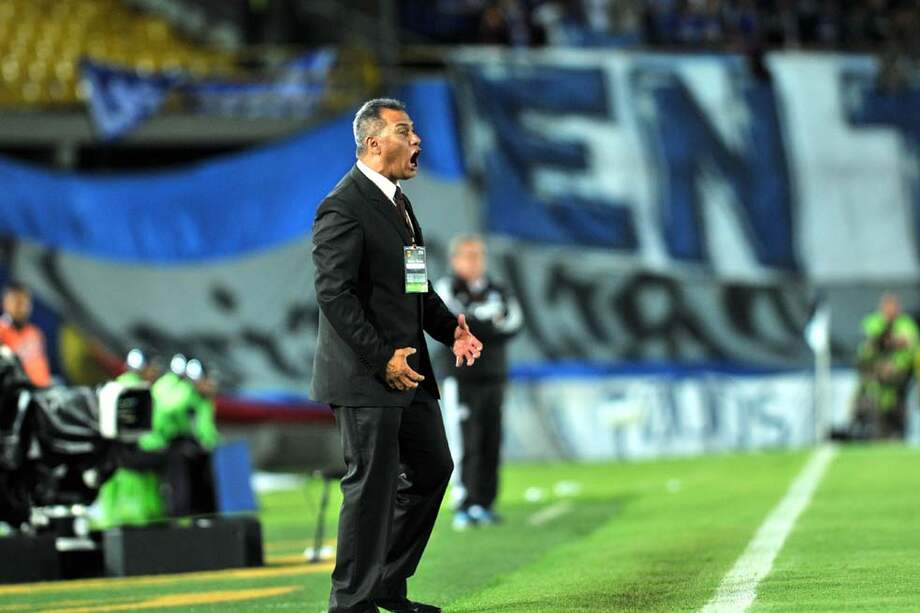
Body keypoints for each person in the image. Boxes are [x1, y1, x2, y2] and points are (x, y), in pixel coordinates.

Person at [311, 98, 483, 613]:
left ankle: (385, 583)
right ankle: (350, 605)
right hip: (367, 377)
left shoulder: (399, 205)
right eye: (405, 131)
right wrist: (381, 357)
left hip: (407, 375)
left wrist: (451, 328)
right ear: (373, 142)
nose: (417, 140)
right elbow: (334, 295)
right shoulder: (342, 206)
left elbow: (416, 286)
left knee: (432, 468)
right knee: (370, 487)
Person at [435, 235, 522, 530]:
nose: (474, 262)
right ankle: (464, 502)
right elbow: (451, 323)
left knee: (491, 439)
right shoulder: (447, 288)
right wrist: (488, 322)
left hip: (494, 375)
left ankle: (485, 501)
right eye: (467, 255)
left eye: (478, 255)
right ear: (454, 259)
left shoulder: (499, 289)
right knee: (464, 441)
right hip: (461, 377)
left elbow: (513, 324)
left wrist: (477, 322)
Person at [853, 293, 918, 439]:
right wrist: (880, 363)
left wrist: (894, 363)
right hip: (874, 375)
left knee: (897, 407)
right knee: (870, 403)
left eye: (894, 306)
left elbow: (909, 346)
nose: (891, 310)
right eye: (888, 306)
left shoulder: (906, 323)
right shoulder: (873, 321)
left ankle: (898, 432)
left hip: (900, 377)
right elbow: (866, 347)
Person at [0, 282, 51, 387]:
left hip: (41, 391)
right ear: (6, 303)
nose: (21, 308)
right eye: (17, 302)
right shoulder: (1, 331)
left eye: (25, 303)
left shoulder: (35, 333)